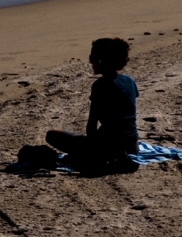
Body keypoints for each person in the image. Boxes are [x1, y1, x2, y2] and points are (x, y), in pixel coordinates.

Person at [45, 37, 140, 175]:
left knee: (52, 135)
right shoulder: (129, 80)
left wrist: (88, 150)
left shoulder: (100, 86)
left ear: (101, 61)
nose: (91, 63)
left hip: (110, 149)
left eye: (92, 58)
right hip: (132, 146)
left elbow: (92, 125)